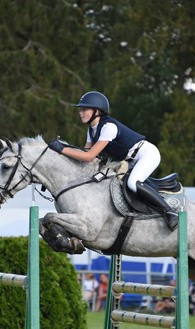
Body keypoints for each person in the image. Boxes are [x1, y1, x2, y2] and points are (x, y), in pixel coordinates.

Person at [48, 91, 178, 231]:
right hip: (129, 160)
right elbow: (84, 154)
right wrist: (64, 148)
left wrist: (62, 150)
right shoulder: (91, 130)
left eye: (84, 109)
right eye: (81, 109)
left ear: (96, 111)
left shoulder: (108, 127)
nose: (80, 112)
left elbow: (89, 156)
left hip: (146, 154)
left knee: (133, 183)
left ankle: (169, 212)